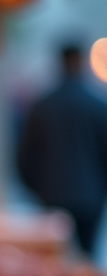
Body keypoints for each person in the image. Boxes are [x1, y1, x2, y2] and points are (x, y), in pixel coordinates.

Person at [16, 41, 107, 256]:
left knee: (52, 264)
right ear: (81, 62)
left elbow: (24, 157)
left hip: (51, 196)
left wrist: (39, 190)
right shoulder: (98, 105)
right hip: (89, 198)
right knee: (85, 261)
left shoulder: (41, 106)